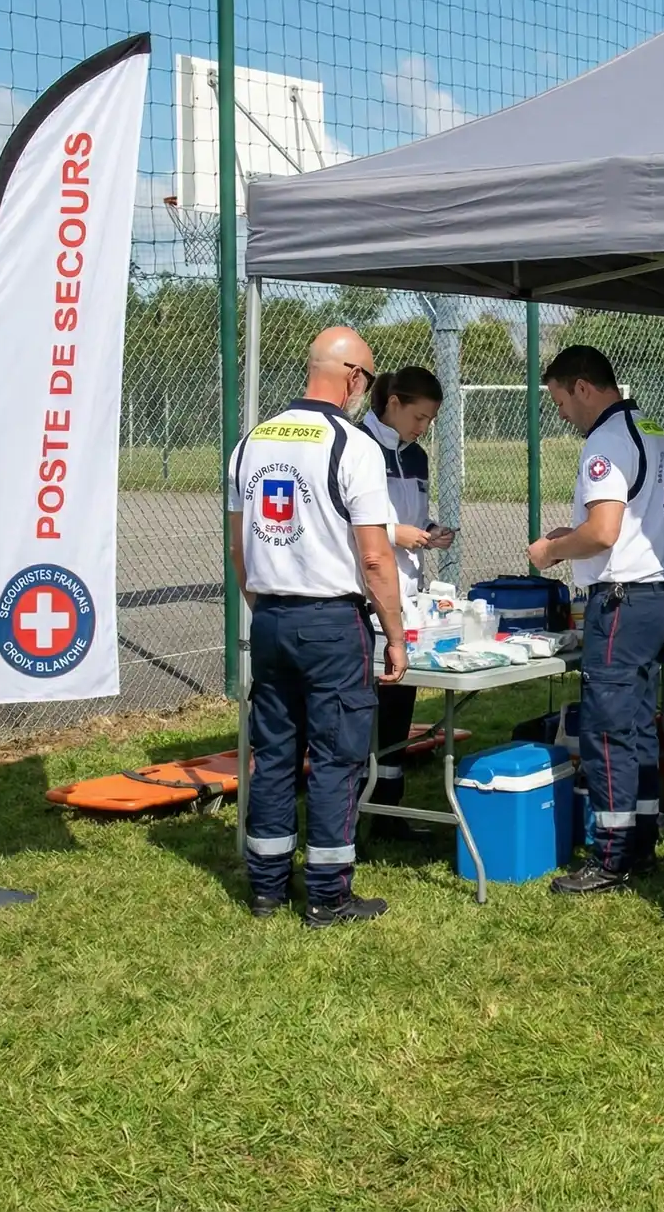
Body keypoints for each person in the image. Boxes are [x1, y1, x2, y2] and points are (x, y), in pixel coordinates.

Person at [227, 326, 407, 928]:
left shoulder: (251, 441)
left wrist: (265, 606)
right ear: (353, 377)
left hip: (271, 617)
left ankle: (266, 887)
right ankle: (328, 894)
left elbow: (238, 549)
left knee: (275, 753)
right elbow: (375, 558)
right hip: (331, 623)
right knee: (337, 757)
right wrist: (396, 635)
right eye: (368, 380)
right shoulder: (353, 446)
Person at [528, 345, 664, 894]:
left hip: (622, 602)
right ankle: (641, 838)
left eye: (559, 400)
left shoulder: (605, 441)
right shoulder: (651, 429)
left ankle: (611, 856)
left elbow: (603, 532)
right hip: (658, 594)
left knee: (608, 730)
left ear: (583, 388)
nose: (561, 413)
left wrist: (552, 550)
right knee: (637, 725)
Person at [360, 367, 455, 837]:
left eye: (430, 420)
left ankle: (387, 811)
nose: (423, 428)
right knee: (363, 712)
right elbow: (345, 519)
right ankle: (354, 810)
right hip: (363, 597)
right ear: (393, 403)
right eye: (419, 417)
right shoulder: (356, 446)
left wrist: (429, 530)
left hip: (407, 599)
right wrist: (394, 533)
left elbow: (409, 514)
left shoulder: (416, 457)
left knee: (398, 707)